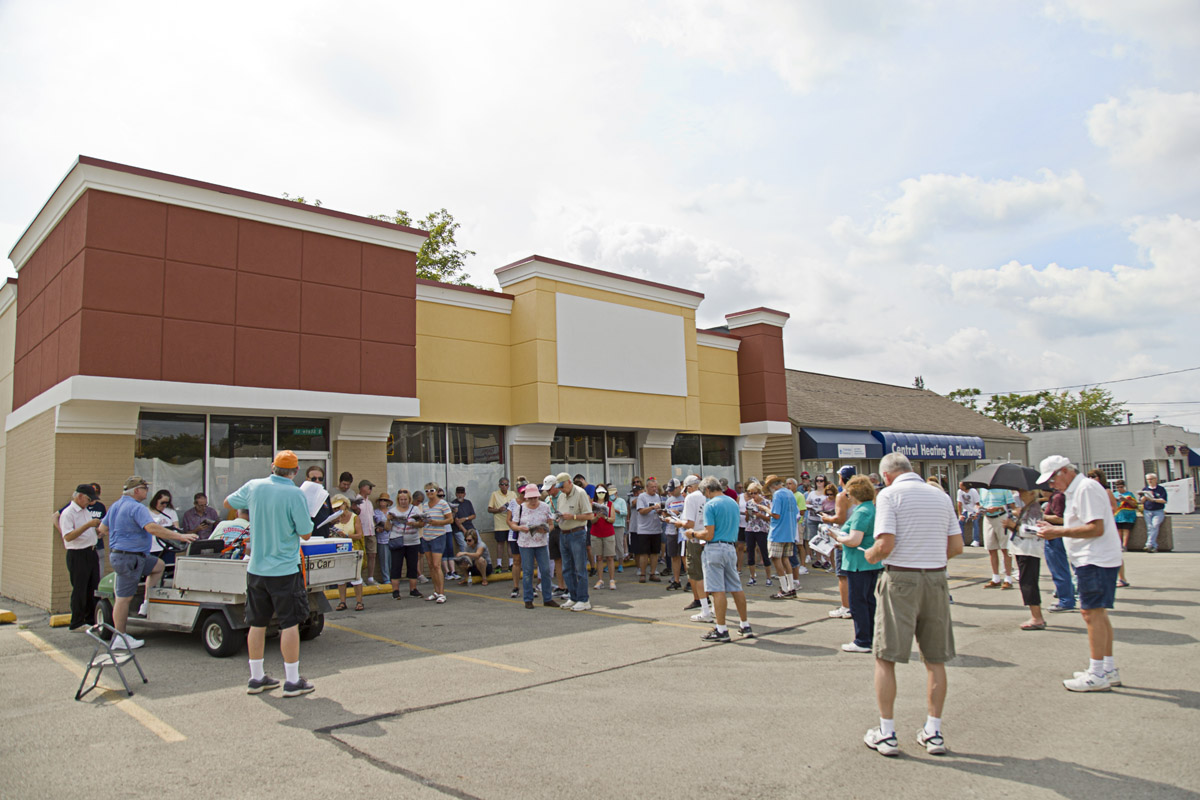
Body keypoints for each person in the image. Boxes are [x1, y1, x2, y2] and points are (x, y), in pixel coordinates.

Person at [862, 452, 962, 757]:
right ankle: (934, 731)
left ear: (886, 476)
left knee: (885, 656)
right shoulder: (940, 496)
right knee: (935, 659)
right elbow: (956, 546)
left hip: (901, 577)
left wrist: (869, 554)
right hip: (936, 577)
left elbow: (885, 544)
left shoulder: (889, 495)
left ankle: (887, 732)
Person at [225, 450, 316, 697]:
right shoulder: (295, 494)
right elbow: (306, 533)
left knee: (256, 623)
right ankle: (293, 680)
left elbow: (228, 503)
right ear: (295, 472)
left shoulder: (254, 486)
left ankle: (256, 677)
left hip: (256, 568)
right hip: (284, 569)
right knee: (289, 623)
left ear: (272, 467)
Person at [1035, 455, 1124, 691]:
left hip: (1094, 559)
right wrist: (1056, 528)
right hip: (1094, 558)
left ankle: (1097, 673)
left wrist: (1058, 531)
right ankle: (1107, 668)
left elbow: (1095, 528)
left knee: (1091, 613)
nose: (1051, 485)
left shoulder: (1085, 489)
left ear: (1064, 471)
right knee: (1098, 613)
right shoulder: (1081, 489)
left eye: (1052, 479)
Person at [98, 476, 197, 649]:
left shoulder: (115, 506)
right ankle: (120, 637)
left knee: (158, 566)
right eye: (145, 488)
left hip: (128, 556)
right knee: (123, 598)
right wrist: (180, 536)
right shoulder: (137, 508)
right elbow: (151, 528)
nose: (147, 492)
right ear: (136, 490)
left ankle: (146, 603)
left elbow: (102, 529)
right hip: (130, 557)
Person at [685, 476, 752, 642]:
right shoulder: (732, 502)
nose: (705, 496)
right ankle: (745, 624)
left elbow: (709, 534)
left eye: (704, 493)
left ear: (708, 490)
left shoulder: (711, 505)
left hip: (715, 548)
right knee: (736, 587)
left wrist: (693, 533)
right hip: (730, 546)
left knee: (717, 590)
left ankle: (721, 629)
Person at [832, 476, 882, 653]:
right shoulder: (871, 508)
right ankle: (870, 637)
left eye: (848, 494)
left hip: (858, 563)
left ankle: (862, 640)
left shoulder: (861, 512)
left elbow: (854, 540)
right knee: (868, 600)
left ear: (855, 494)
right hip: (870, 562)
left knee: (858, 602)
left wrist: (838, 538)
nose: (847, 497)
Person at [60, 484, 103, 630]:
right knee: (80, 589)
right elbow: (68, 536)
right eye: (88, 499)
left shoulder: (86, 511)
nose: (90, 503)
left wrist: (97, 532)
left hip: (91, 551)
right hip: (77, 554)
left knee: (93, 586)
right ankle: (76, 622)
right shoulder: (68, 513)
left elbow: (87, 531)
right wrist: (88, 525)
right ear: (79, 496)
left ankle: (91, 619)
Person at [667, 475, 710, 620]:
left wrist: (676, 522)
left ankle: (701, 602)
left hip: (694, 537)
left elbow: (689, 523)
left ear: (690, 487)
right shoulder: (709, 496)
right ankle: (706, 601)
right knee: (707, 572)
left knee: (695, 573)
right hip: (708, 536)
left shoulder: (691, 498)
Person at [1003, 488, 1046, 631]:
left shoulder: (1034, 509)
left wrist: (1014, 526)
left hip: (1029, 550)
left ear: (1032, 493)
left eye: (1023, 492)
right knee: (1026, 581)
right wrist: (1012, 527)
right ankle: (1035, 615)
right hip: (1023, 549)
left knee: (1028, 582)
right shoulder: (1027, 508)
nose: (1020, 495)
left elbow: (1035, 530)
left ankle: (1037, 617)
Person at [510, 483, 558, 608]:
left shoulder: (545, 507)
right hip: (525, 543)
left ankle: (547, 598)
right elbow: (513, 524)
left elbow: (551, 524)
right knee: (528, 571)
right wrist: (520, 528)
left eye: (535, 497)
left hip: (541, 542)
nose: (533, 500)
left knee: (545, 570)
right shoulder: (520, 508)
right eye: (530, 498)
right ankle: (528, 599)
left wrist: (546, 529)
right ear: (526, 497)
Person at [555, 472, 595, 611]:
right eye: (559, 487)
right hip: (564, 533)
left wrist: (573, 517)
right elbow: (562, 512)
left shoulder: (581, 493)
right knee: (567, 568)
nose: (561, 489)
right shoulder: (561, 496)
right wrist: (559, 518)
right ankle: (573, 597)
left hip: (577, 533)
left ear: (569, 482)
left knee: (580, 568)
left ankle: (584, 599)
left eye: (563, 486)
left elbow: (590, 515)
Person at [822, 465, 856, 618]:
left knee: (842, 575)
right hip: (857, 535)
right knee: (854, 574)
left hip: (843, 535)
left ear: (842, 478)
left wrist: (827, 518)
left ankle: (846, 607)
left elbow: (840, 518)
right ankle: (854, 605)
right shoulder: (860, 494)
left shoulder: (843, 495)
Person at [1041, 487, 1076, 613]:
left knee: (1059, 569)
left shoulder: (1057, 497)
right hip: (1055, 536)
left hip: (1056, 536)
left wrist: (1042, 516)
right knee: (1059, 569)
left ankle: (1066, 600)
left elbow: (1061, 519)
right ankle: (1067, 597)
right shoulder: (1056, 497)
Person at [330, 495, 365, 612]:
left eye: (339, 507)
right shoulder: (334, 519)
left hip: (353, 549)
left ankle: (359, 601)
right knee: (340, 577)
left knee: (356, 576)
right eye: (335, 508)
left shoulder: (354, 517)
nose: (337, 510)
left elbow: (359, 535)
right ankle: (342, 601)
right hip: (339, 550)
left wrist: (346, 536)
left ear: (345, 505)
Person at [388, 489, 425, 599]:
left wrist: (413, 524)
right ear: (398, 500)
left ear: (409, 500)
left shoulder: (415, 509)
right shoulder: (393, 510)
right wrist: (388, 520)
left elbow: (422, 523)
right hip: (397, 540)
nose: (403, 501)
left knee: (412, 565)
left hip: (412, 541)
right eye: (401, 500)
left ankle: (413, 589)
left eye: (405, 499)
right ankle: (395, 590)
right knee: (396, 565)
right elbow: (387, 528)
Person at [978, 485, 1016, 588]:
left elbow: (1011, 504)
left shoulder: (1004, 488)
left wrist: (998, 508)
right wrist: (980, 509)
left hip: (1001, 517)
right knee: (991, 549)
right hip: (988, 518)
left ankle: (1008, 578)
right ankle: (996, 578)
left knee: (1005, 549)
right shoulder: (982, 489)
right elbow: (980, 503)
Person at [421, 483, 453, 603]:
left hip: (438, 536)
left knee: (436, 565)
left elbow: (450, 519)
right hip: (426, 536)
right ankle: (435, 591)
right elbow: (423, 522)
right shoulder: (425, 505)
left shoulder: (443, 504)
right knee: (430, 565)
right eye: (427, 491)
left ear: (437, 491)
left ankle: (441, 593)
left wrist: (437, 522)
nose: (429, 493)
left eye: (432, 490)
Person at [634, 477, 665, 583]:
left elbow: (659, 510)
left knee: (655, 553)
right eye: (652, 487)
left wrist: (660, 511)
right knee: (644, 553)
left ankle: (653, 573)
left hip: (656, 529)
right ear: (647, 487)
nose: (654, 489)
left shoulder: (657, 497)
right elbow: (641, 511)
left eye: (655, 487)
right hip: (644, 530)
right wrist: (652, 508)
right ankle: (642, 574)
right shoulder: (642, 497)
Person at [743, 482, 772, 587]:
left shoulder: (766, 502)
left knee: (764, 553)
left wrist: (760, 515)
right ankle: (752, 577)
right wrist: (747, 514)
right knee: (750, 553)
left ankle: (768, 578)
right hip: (750, 529)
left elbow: (769, 518)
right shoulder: (749, 503)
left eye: (755, 493)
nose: (753, 495)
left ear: (759, 492)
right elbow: (747, 520)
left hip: (762, 529)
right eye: (750, 493)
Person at [590, 486, 618, 590]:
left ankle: (611, 579)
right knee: (599, 557)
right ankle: (600, 580)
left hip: (608, 533)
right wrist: (597, 517)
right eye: (599, 492)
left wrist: (605, 517)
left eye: (602, 492)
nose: (600, 494)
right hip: (596, 533)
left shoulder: (610, 504)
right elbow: (591, 521)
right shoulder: (593, 504)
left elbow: (612, 519)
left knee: (610, 557)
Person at [487, 477, 518, 573]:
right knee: (500, 543)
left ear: (509, 485)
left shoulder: (512, 494)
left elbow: (517, 506)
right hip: (499, 524)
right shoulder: (495, 494)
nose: (504, 486)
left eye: (506, 484)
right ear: (499, 485)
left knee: (510, 543)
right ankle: (499, 564)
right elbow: (489, 509)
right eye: (502, 484)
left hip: (510, 523)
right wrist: (498, 510)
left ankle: (511, 564)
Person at [662, 478, 686, 590]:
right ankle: (676, 580)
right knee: (674, 556)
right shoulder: (669, 500)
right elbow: (665, 514)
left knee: (685, 556)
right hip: (672, 530)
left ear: (679, 487)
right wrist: (665, 516)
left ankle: (691, 581)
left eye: (673, 489)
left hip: (683, 531)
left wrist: (679, 513)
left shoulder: (686, 498)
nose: (671, 492)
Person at [1112, 479, 1136, 587]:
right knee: (1119, 531)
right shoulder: (1114, 494)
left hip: (1128, 515)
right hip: (1118, 515)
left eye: (1121, 487)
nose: (1119, 489)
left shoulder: (1129, 494)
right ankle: (1119, 544)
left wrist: (1125, 499)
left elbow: (1134, 504)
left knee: (1126, 530)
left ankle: (1124, 546)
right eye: (1118, 487)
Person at [355, 480, 377, 584]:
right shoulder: (356, 501)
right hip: (361, 532)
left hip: (371, 531)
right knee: (360, 556)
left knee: (372, 555)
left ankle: (370, 578)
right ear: (363, 487)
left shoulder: (369, 502)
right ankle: (359, 578)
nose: (371, 490)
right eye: (369, 487)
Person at [1140, 473, 1168, 552]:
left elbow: (1164, 500)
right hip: (1147, 511)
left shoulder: (1160, 489)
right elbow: (1141, 501)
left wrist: (1154, 500)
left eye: (1151, 479)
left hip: (1158, 511)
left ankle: (1148, 544)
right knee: (1150, 527)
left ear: (1155, 479)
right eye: (1148, 479)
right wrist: (1144, 498)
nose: (1149, 481)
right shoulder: (1145, 489)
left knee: (1155, 525)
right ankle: (1154, 546)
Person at [805, 477, 828, 569]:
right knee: (816, 540)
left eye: (821, 480)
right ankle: (818, 559)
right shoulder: (812, 493)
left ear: (824, 482)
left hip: (823, 519)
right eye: (817, 480)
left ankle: (827, 560)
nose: (819, 482)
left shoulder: (827, 493)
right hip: (812, 519)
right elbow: (806, 503)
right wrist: (812, 506)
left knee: (825, 539)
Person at [374, 492, 393, 584]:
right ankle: (386, 578)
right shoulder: (376, 512)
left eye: (385, 500)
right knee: (384, 559)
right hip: (381, 538)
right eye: (381, 500)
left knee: (391, 559)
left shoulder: (391, 512)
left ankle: (392, 576)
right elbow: (373, 524)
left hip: (391, 537)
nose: (382, 502)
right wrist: (377, 528)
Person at [609, 484, 629, 571]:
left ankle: (620, 564)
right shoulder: (608, 502)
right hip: (609, 525)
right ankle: (610, 563)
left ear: (616, 493)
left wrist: (615, 510)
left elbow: (625, 513)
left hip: (619, 525)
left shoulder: (621, 501)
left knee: (619, 545)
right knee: (610, 546)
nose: (611, 495)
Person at [955, 482, 981, 546]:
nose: (960, 487)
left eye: (961, 486)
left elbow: (977, 504)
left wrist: (976, 514)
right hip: (966, 511)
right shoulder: (960, 491)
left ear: (965, 486)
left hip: (974, 510)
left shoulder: (973, 491)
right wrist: (960, 515)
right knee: (960, 522)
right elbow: (959, 504)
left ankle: (976, 540)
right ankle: (961, 540)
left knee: (975, 521)